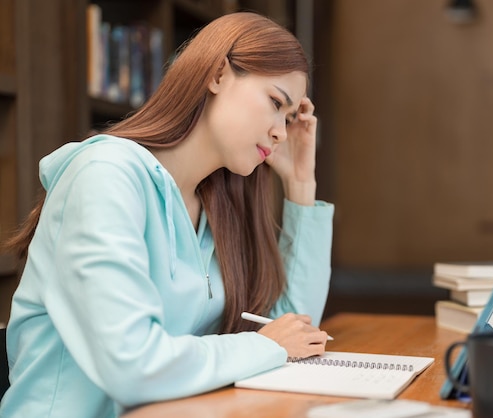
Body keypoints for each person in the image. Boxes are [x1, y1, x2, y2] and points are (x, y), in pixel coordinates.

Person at [0, 12, 334, 418]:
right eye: (275, 103)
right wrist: (267, 345)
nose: (281, 131)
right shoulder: (105, 176)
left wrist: (300, 185)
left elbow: (292, 330)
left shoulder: (215, 206)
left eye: (287, 117)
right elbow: (132, 365)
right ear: (217, 74)